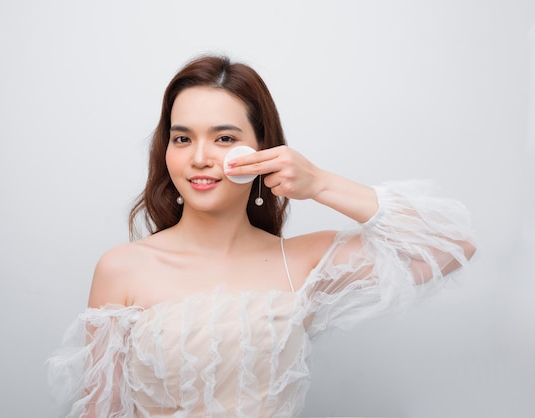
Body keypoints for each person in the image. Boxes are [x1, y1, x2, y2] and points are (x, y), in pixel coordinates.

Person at [47, 55, 476, 418]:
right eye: (182, 138)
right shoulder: (123, 268)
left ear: (263, 151)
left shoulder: (303, 263)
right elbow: (101, 410)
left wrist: (319, 183)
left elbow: (453, 244)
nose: (199, 158)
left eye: (224, 138)